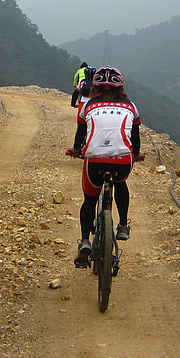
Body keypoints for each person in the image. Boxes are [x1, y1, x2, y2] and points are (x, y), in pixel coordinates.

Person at [68, 66, 142, 267]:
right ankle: (123, 225)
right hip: (123, 159)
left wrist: (76, 150)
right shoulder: (131, 106)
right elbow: (135, 139)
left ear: (95, 87)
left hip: (94, 160)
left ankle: (85, 241)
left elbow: (80, 135)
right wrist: (136, 154)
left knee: (89, 200)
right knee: (120, 183)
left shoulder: (87, 106)